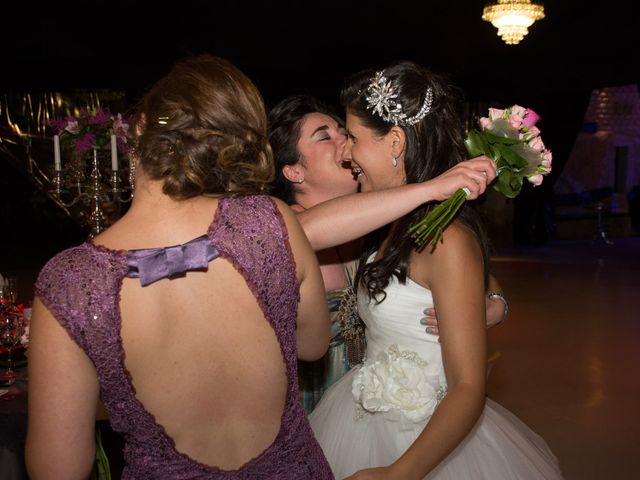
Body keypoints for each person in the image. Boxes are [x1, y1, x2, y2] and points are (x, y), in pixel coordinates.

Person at [25, 54, 334, 479]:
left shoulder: (71, 284)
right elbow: (314, 345)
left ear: (140, 127)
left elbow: (58, 470)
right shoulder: (272, 222)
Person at [308, 61, 563, 479]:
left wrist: (397, 473)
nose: (345, 151)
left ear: (395, 143)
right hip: (361, 414)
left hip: (421, 442)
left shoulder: (447, 238)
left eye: (352, 137)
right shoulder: (394, 223)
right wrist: (493, 297)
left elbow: (467, 389)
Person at [268, 95, 507, 413]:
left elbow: (469, 271)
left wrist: (493, 305)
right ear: (294, 172)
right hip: (308, 404)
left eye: (347, 133)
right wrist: (433, 187)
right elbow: (301, 233)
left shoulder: (379, 226)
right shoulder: (280, 220)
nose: (344, 144)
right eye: (326, 137)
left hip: (376, 395)